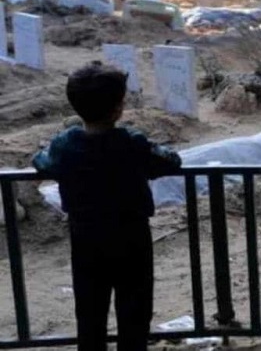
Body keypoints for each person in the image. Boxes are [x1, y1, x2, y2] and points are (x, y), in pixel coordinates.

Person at [33, 62, 182, 351]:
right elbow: (170, 160)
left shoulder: (66, 144)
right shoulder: (131, 143)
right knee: (135, 309)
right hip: (132, 236)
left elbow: (42, 162)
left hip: (85, 237)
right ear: (118, 109)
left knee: (89, 309)